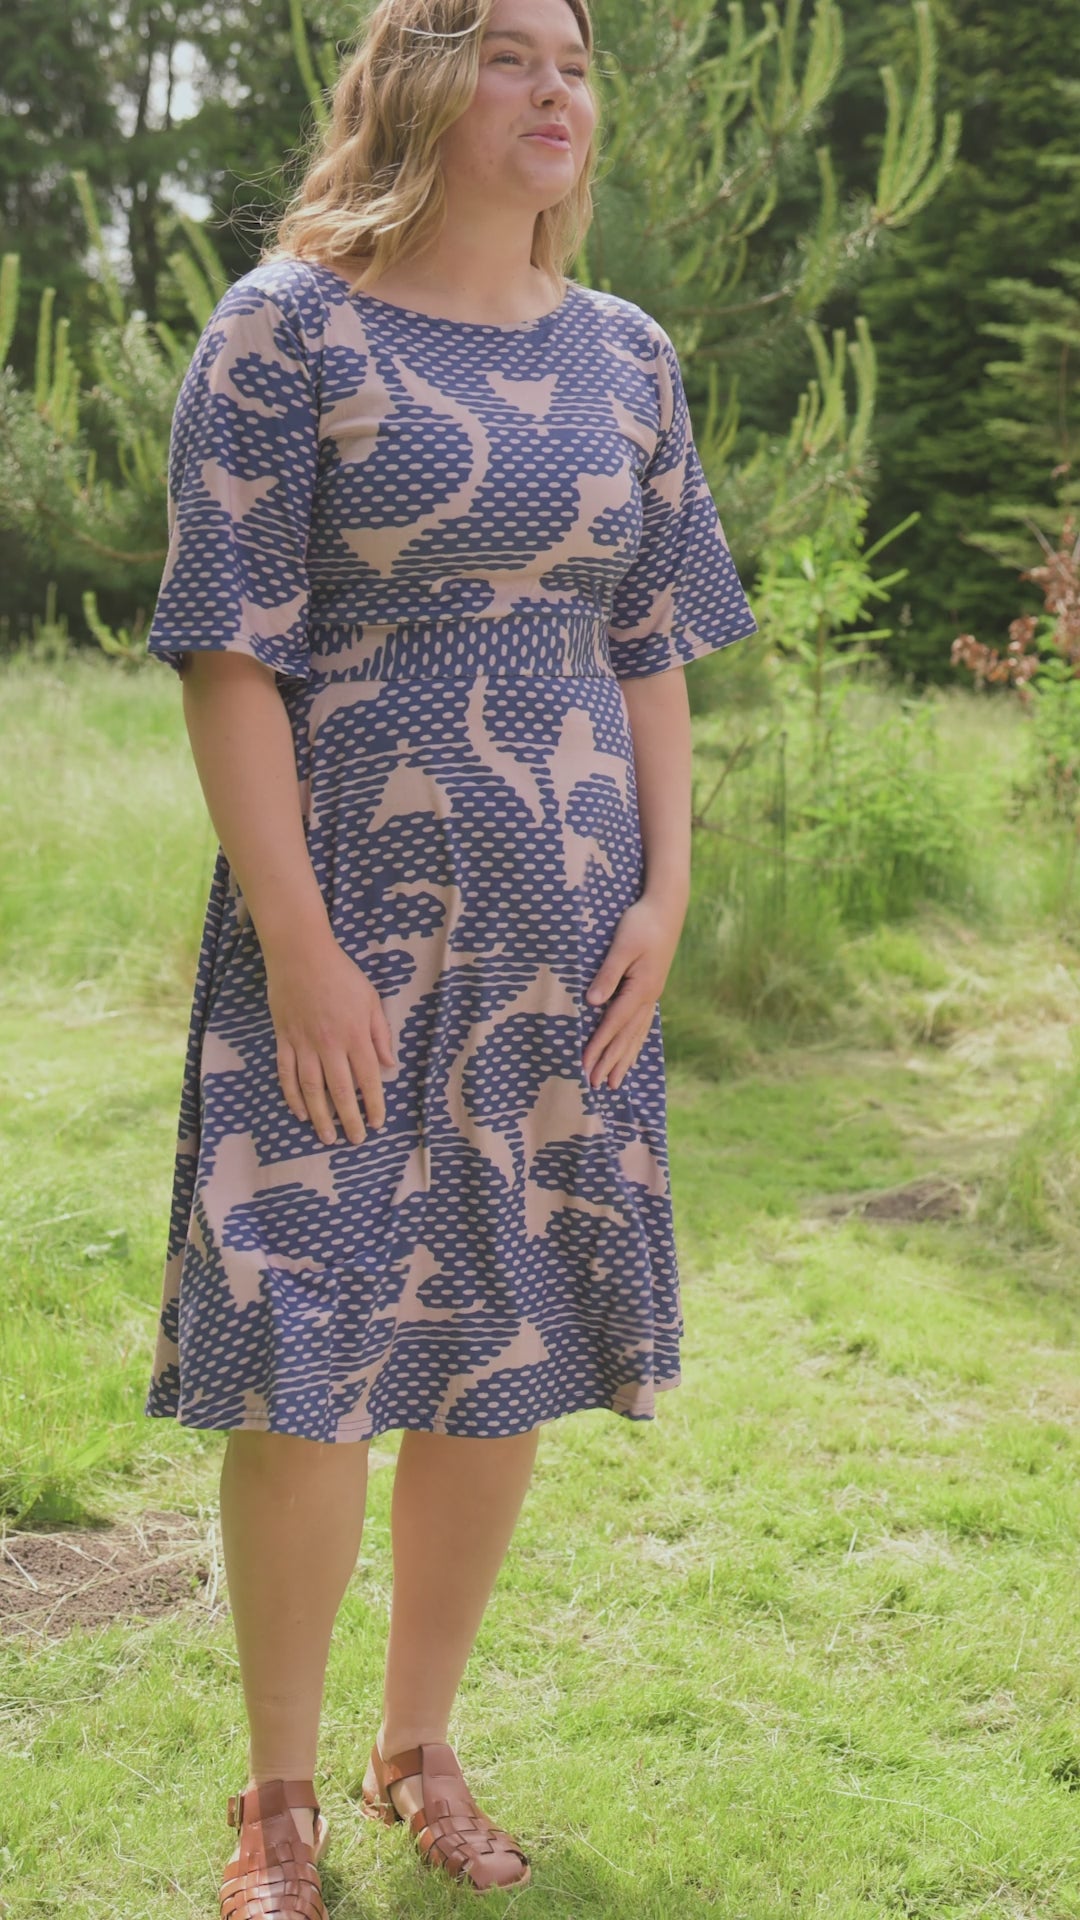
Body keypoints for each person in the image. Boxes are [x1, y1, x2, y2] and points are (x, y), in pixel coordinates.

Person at [143, 0, 758, 1910]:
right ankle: (277, 1797)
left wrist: (667, 892)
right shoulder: (289, 327)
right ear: (415, 80)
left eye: (573, 61)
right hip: (342, 934)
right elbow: (228, 651)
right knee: (307, 1353)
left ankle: (418, 1747)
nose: (556, 88)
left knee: (499, 1347)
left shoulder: (626, 353)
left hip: (570, 938)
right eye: (508, 54)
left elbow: (652, 640)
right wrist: (297, 943)